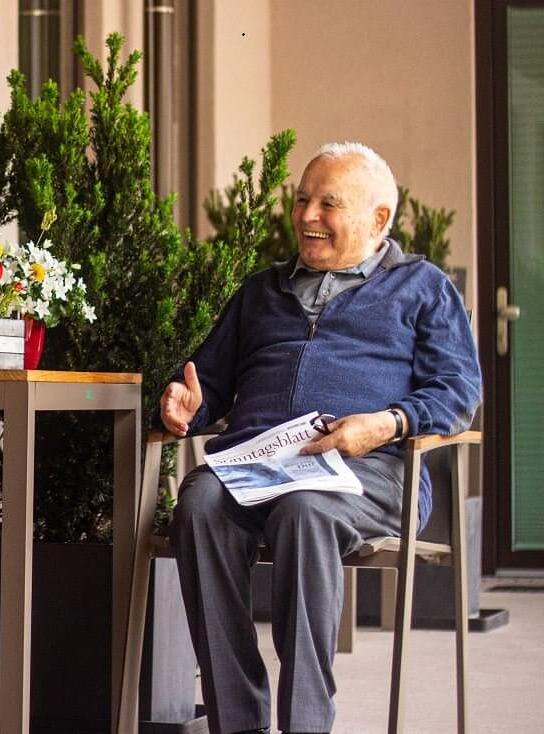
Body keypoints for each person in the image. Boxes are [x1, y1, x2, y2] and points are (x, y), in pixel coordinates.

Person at [157, 142, 481, 734]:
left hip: (371, 469)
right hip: (259, 464)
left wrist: (385, 423)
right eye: (303, 199)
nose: (306, 215)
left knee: (306, 512)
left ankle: (306, 723)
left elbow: (458, 392)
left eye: (328, 204)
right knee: (199, 502)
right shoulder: (262, 290)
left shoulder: (422, 288)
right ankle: (239, 721)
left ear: (378, 219)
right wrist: (186, 404)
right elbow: (207, 383)